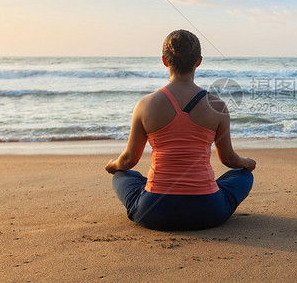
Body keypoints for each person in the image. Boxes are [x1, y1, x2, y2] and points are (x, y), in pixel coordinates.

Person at [105, 29, 256, 231]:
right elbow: (228, 159)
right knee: (243, 175)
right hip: (208, 212)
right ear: (199, 61)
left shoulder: (145, 105)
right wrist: (247, 163)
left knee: (123, 175)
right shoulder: (217, 106)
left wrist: (113, 165)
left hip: (154, 212)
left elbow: (129, 160)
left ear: (165, 61)